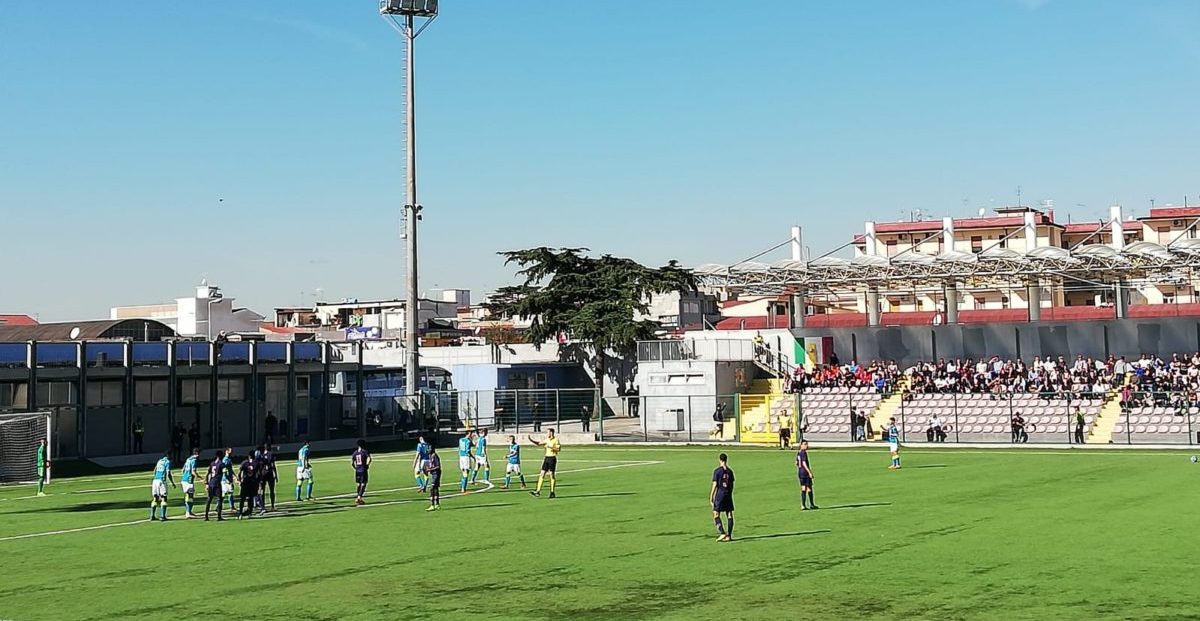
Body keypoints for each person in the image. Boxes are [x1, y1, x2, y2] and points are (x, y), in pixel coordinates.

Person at [527, 428, 561, 498]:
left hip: (552, 458)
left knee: (551, 475)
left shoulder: (556, 440)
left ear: (551, 433)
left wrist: (551, 447)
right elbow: (539, 443)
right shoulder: (547, 440)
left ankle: (552, 492)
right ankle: (538, 491)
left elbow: (558, 449)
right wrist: (531, 440)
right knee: (542, 474)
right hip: (546, 458)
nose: (547, 434)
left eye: (548, 432)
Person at [710, 452, 735, 542]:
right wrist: (729, 493)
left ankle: (722, 533)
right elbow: (732, 484)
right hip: (728, 494)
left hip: (720, 494)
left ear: (720, 460)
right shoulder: (730, 471)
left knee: (716, 513)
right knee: (729, 513)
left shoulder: (717, 471)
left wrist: (711, 495)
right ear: (726, 460)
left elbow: (715, 484)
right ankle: (729, 536)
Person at [149, 451, 176, 521]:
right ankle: (162, 516)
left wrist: (156, 477)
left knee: (155, 498)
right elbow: (168, 473)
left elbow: (154, 470)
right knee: (164, 498)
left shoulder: (159, 461)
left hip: (155, 480)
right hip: (162, 481)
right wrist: (172, 482)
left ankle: (152, 515)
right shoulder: (167, 462)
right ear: (168, 455)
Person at [203, 449, 226, 521]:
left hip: (211, 483)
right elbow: (225, 471)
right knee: (219, 499)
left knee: (209, 499)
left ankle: (206, 516)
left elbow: (208, 473)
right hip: (217, 483)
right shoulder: (221, 464)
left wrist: (207, 483)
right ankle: (219, 516)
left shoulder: (212, 463)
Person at [796, 440, 817, 510]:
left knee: (803, 488)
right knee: (809, 488)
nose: (806, 446)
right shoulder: (803, 453)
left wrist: (800, 466)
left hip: (800, 472)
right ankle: (811, 504)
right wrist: (809, 472)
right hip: (805, 473)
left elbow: (796, 462)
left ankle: (803, 505)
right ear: (801, 445)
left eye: (807, 444)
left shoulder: (798, 452)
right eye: (805, 444)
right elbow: (804, 463)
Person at [237, 452, 258, 518]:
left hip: (245, 482)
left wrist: (240, 480)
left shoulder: (244, 463)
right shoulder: (256, 463)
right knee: (250, 498)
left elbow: (239, 472)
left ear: (248, 456)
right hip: (252, 482)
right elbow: (258, 473)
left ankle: (240, 513)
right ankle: (250, 513)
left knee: (242, 498)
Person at [181, 447, 200, 519]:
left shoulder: (188, 459)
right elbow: (193, 471)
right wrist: (200, 478)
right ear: (197, 453)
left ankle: (189, 511)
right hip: (189, 481)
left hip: (184, 479)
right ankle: (188, 512)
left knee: (187, 496)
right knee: (190, 496)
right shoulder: (194, 460)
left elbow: (182, 470)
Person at [351, 439, 372, 506]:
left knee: (358, 484)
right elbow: (369, 458)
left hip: (357, 470)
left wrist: (356, 468)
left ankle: (358, 497)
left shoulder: (355, 452)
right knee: (363, 484)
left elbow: (352, 463)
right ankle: (359, 498)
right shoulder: (364, 451)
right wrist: (367, 465)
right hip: (363, 470)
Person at [260, 444, 278, 511]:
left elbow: (260, 466)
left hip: (263, 474)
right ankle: (272, 506)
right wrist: (275, 475)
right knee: (272, 490)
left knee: (262, 490)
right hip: (270, 473)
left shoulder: (261, 455)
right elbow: (273, 465)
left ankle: (263, 506)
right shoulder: (271, 454)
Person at [424, 445, 442, 512]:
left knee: (432, 488)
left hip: (436, 473)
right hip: (433, 474)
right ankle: (437, 504)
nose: (428, 450)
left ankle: (432, 505)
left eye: (429, 448)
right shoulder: (430, 456)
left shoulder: (434, 456)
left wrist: (430, 469)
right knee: (436, 488)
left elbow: (438, 466)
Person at [221, 448, 237, 513]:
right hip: (226, 480)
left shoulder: (229, 459)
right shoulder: (225, 460)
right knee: (228, 493)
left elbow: (230, 469)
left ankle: (219, 506)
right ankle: (231, 507)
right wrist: (227, 479)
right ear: (226, 451)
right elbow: (224, 470)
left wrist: (235, 476)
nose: (231, 452)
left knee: (227, 493)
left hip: (228, 478)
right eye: (230, 451)